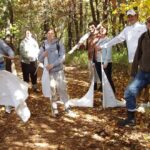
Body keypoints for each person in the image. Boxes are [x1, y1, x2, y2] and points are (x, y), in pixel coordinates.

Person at [118, 16, 150, 127]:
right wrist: (133, 73)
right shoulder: (143, 37)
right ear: (147, 25)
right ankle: (131, 119)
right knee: (129, 92)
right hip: (143, 73)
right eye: (149, 22)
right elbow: (137, 56)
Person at [38, 29, 72, 117]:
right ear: (46, 35)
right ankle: (54, 108)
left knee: (62, 88)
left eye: (52, 33)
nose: (50, 35)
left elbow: (62, 57)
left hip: (59, 71)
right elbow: (39, 59)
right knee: (52, 90)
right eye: (48, 33)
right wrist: (43, 55)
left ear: (54, 34)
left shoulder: (58, 43)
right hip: (49, 73)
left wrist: (52, 65)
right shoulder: (43, 45)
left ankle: (67, 105)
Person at [95, 25, 116, 93]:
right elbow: (96, 50)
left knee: (107, 79)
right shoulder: (98, 40)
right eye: (100, 29)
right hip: (98, 61)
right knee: (102, 79)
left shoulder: (108, 39)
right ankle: (106, 95)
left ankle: (112, 93)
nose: (101, 30)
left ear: (106, 30)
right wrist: (94, 61)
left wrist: (106, 62)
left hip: (105, 62)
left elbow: (109, 51)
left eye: (103, 29)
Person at [0, 38, 15, 113]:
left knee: (3, 84)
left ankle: (7, 105)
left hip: (1, 65)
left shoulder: (0, 41)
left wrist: (11, 54)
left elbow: (8, 49)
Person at [86, 21, 100, 91]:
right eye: (89, 27)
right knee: (91, 72)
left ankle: (100, 86)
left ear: (96, 27)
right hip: (90, 57)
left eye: (92, 27)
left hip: (97, 58)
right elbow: (87, 47)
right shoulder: (88, 36)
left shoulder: (99, 35)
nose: (90, 28)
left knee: (98, 72)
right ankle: (93, 86)